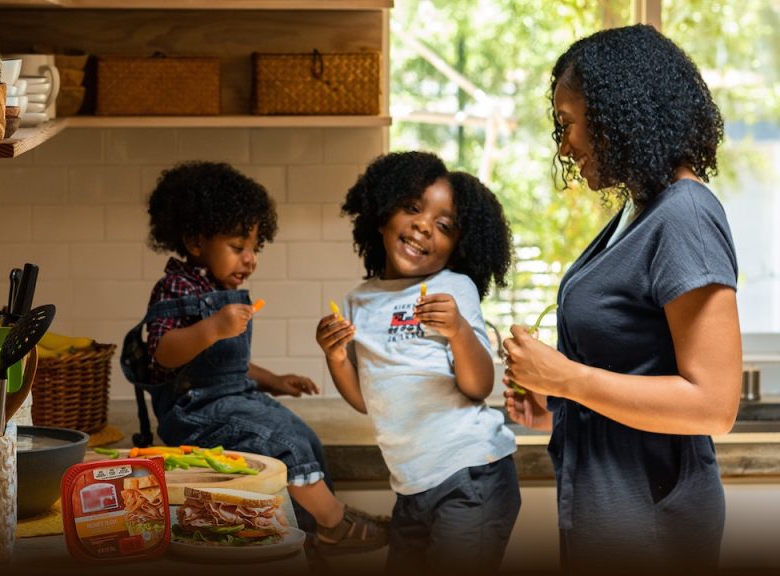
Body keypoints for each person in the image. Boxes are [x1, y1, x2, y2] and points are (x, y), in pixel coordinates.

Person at [501, 24, 741, 574]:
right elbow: (635, 368)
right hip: (609, 515)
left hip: (652, 527)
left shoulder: (685, 215)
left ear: (615, 114)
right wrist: (557, 410)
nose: (564, 145)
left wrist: (565, 380)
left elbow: (714, 405)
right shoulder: (639, 211)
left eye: (569, 124)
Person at [120, 160, 388, 554]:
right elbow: (164, 353)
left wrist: (275, 380)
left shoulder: (216, 286)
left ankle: (318, 526)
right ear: (196, 242)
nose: (251, 259)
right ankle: (335, 522)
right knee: (283, 445)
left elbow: (227, 365)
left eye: (254, 248)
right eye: (238, 247)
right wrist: (212, 327)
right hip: (194, 412)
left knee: (305, 438)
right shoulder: (176, 286)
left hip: (233, 399)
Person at [316, 151, 519, 573]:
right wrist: (336, 357)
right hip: (411, 487)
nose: (425, 225)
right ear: (381, 214)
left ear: (457, 245)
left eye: (444, 226)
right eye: (412, 208)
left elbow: (480, 386)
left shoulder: (453, 288)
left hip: (471, 473)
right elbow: (365, 398)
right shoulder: (360, 301)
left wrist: (459, 331)